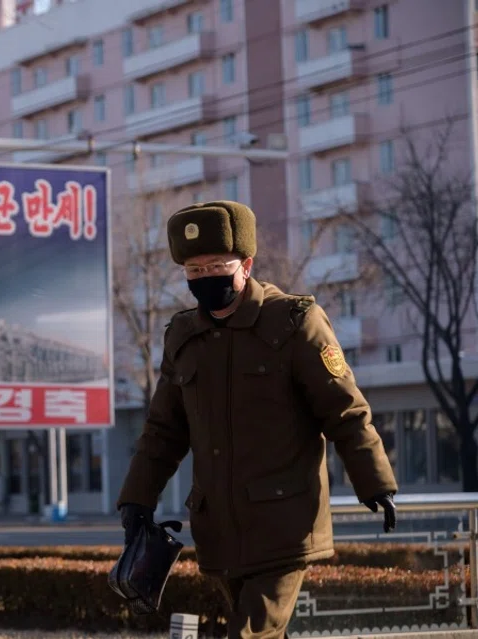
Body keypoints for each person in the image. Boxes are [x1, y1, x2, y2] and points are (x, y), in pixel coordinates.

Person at [115, 200, 398, 639]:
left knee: (249, 634)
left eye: (216, 266)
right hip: (218, 531)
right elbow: (162, 431)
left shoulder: (295, 322)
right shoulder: (183, 336)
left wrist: (375, 482)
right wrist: (137, 500)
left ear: (246, 265)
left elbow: (344, 410)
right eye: (194, 270)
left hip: (285, 526)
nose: (205, 278)